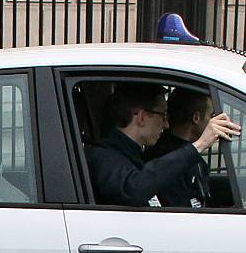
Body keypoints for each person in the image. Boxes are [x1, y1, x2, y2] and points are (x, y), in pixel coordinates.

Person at [86, 82, 241, 207]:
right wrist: (199, 145)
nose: (166, 125)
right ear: (141, 117)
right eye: (163, 115)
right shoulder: (104, 156)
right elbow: (134, 189)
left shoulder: (134, 154)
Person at [144, 88, 213, 207]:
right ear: (196, 117)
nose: (212, 122)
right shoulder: (170, 160)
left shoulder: (168, 150)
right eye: (211, 115)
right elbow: (179, 212)